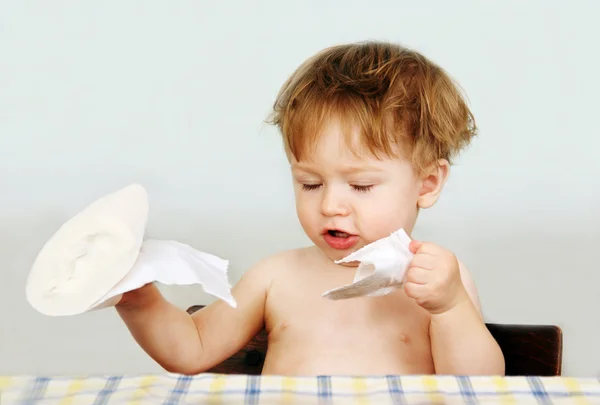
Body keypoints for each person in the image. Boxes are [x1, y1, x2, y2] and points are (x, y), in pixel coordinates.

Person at [116, 41, 505, 376]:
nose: (331, 204)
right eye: (310, 183)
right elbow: (191, 348)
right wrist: (140, 300)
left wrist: (451, 308)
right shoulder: (275, 277)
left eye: (361, 185)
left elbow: (478, 387)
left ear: (428, 183)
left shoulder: (437, 282)